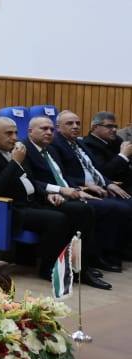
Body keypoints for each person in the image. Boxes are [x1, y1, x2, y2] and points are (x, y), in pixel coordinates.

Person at [0, 117, 109, 288]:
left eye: (15, 133)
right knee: (58, 219)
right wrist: (15, 162)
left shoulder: (16, 149)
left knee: (83, 210)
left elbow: (31, 181)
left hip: (34, 201)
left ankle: (80, 266)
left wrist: (48, 195)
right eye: (8, 133)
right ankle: (48, 268)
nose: (14, 137)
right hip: (10, 209)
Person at [21, 115, 130, 272]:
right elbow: (30, 180)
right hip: (47, 198)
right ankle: (86, 263)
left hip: (70, 191)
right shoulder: (24, 149)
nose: (49, 132)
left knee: (109, 204)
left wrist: (79, 189)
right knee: (91, 209)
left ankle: (88, 261)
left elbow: (63, 176)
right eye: (44, 129)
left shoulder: (50, 149)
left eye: (51, 129)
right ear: (30, 131)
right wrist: (64, 190)